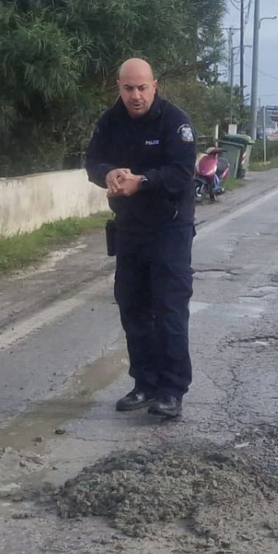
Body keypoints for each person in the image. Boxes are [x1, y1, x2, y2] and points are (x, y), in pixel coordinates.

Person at [85, 58, 197, 418]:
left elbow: (181, 173)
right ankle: (144, 384)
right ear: (119, 87)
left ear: (155, 85)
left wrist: (143, 181)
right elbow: (92, 162)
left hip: (170, 228)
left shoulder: (174, 121)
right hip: (130, 229)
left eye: (142, 87)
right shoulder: (110, 121)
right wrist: (110, 174)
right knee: (133, 307)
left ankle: (171, 391)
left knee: (168, 308)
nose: (135, 96)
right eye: (128, 88)